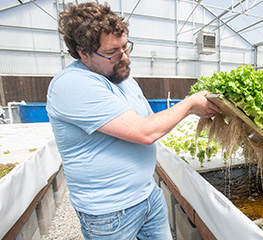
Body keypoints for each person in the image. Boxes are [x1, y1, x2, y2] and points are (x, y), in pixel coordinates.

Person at [46, 2, 220, 239]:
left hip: (148, 195)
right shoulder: (73, 84)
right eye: (112, 53)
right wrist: (189, 104)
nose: (124, 57)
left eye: (125, 47)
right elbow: (144, 132)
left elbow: (150, 120)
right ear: (83, 53)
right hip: (109, 214)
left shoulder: (123, 79)